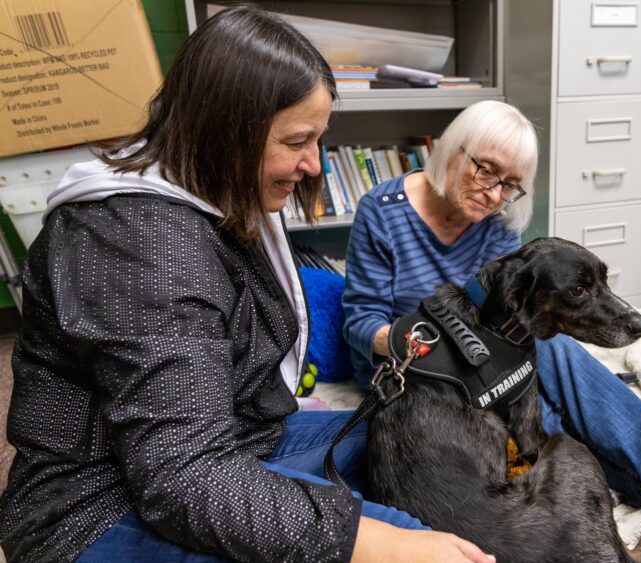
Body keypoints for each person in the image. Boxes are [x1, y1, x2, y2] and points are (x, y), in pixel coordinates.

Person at [0, 7, 496, 563]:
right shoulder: (138, 247)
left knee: (414, 435)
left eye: (318, 140)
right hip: (100, 503)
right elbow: (184, 477)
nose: (313, 164)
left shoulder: (217, 193)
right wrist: (382, 542)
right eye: (298, 140)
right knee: (404, 540)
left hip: (231, 440)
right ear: (224, 133)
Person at [342, 100, 641, 562]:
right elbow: (360, 323)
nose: (494, 194)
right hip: (424, 375)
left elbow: (520, 312)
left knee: (551, 360)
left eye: (510, 186)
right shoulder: (383, 212)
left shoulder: (498, 221)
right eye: (486, 172)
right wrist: (416, 341)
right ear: (450, 151)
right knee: (557, 431)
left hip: (495, 364)